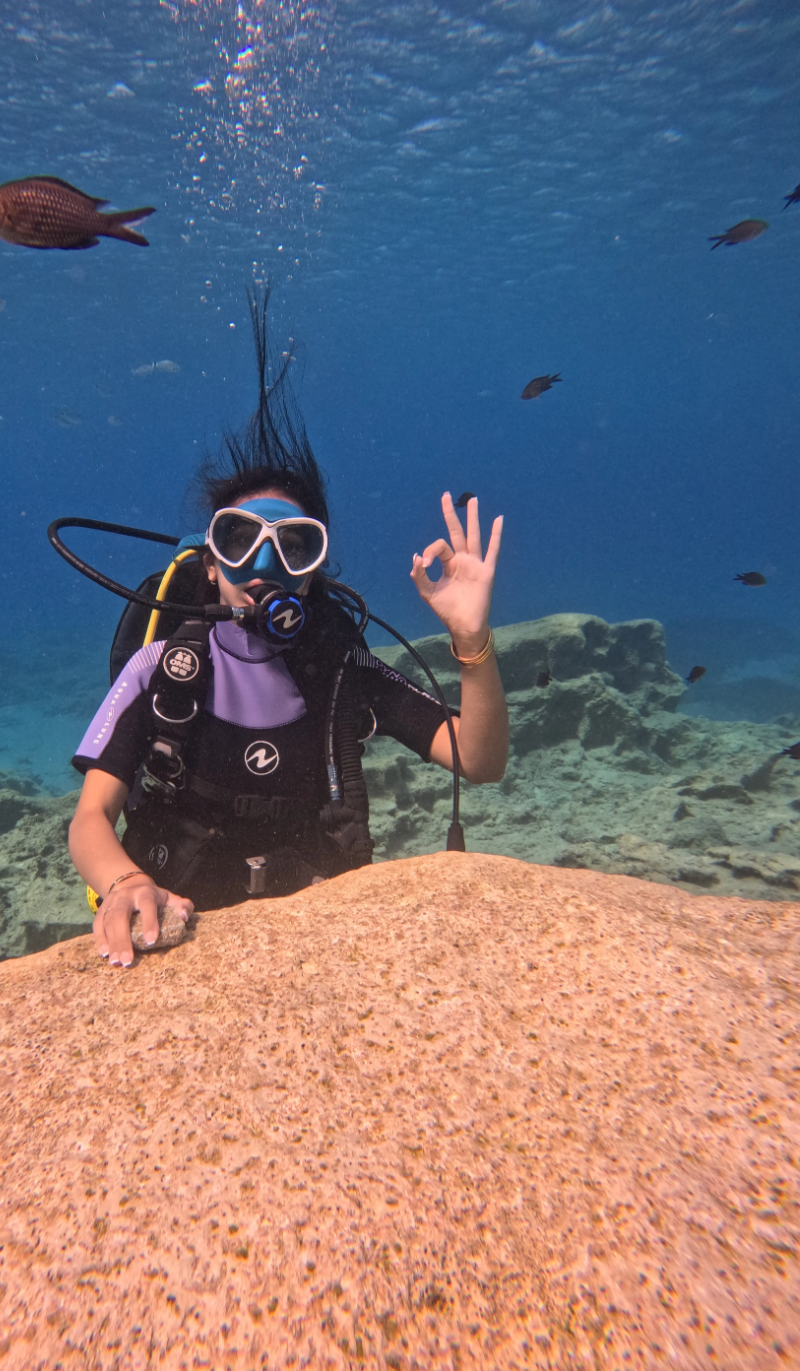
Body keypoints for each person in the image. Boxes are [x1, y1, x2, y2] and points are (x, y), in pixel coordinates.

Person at [68, 288, 508, 967]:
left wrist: (473, 643)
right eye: (240, 540)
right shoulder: (162, 672)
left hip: (321, 942)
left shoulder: (342, 671)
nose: (264, 565)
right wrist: (124, 883)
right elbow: (91, 818)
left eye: (293, 545)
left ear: (316, 566)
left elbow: (478, 759)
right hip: (184, 933)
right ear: (210, 564)